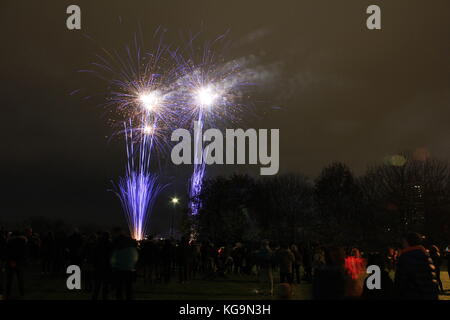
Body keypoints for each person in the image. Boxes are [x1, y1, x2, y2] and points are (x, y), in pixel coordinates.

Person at [394, 232, 439, 300]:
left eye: (403, 242)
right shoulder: (426, 256)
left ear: (407, 242)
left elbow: (400, 282)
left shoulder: (406, 257)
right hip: (430, 295)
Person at [111, 234, 139, 300]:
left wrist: (114, 267)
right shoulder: (132, 249)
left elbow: (113, 260)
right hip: (129, 271)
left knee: (119, 288)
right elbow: (135, 259)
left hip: (119, 270)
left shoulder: (117, 249)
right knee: (128, 288)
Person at [5, 231, 28, 299]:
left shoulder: (10, 241)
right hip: (19, 262)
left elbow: (8, 252)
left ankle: (8, 293)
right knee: (20, 279)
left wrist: (11, 261)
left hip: (11, 262)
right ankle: (22, 293)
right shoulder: (23, 242)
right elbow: (24, 253)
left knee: (9, 279)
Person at [92, 232, 112, 300]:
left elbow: (94, 256)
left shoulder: (97, 244)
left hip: (99, 267)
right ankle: (104, 297)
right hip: (107, 267)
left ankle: (94, 297)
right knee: (105, 285)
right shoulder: (109, 244)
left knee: (97, 285)